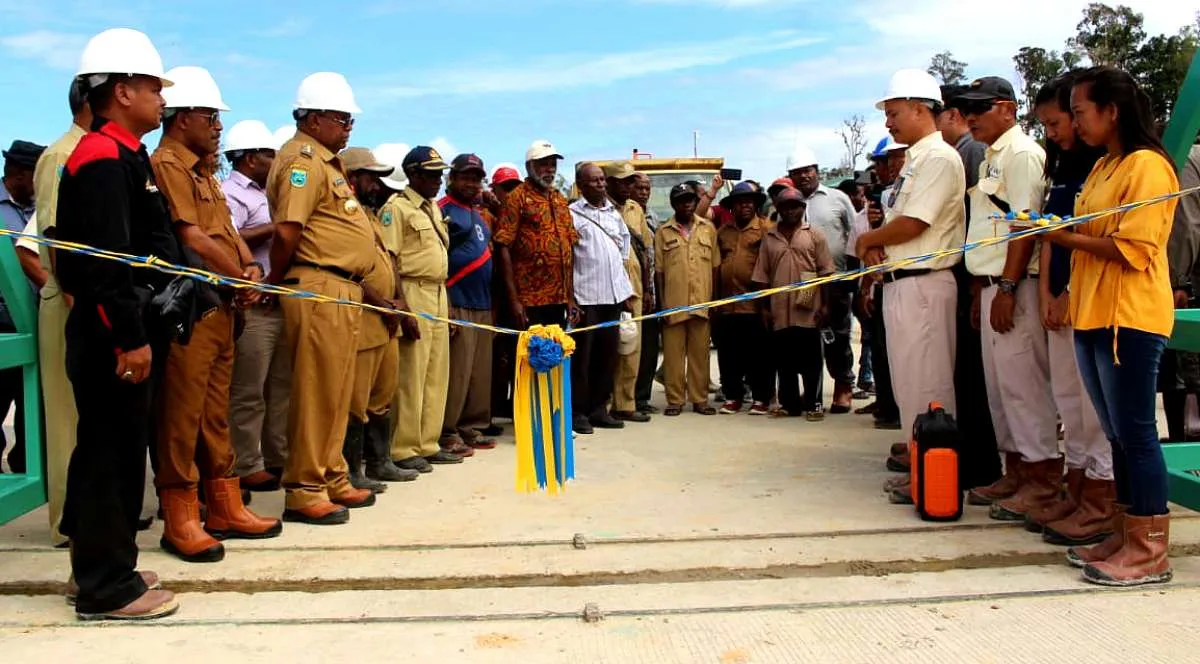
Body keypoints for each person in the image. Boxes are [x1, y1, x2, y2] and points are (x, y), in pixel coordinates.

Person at [55, 27, 179, 620]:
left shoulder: (124, 154)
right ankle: (107, 588)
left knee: (107, 450)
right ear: (123, 90)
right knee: (114, 456)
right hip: (113, 335)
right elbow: (106, 264)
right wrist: (130, 340)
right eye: (155, 87)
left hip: (119, 327)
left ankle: (103, 561)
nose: (162, 98)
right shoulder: (103, 158)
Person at [1043, 66, 1179, 587]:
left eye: (1079, 112)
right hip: (1094, 314)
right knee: (1118, 435)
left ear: (1112, 111)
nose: (1075, 122)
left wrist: (1060, 238)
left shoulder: (1147, 167)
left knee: (1138, 433)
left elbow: (1134, 248)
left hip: (1131, 318)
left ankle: (1150, 550)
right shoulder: (1104, 166)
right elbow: (1087, 228)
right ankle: (1126, 532)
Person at [151, 66, 281, 562]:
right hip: (194, 306)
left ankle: (223, 503)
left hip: (221, 304)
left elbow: (226, 234)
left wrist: (247, 269)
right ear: (181, 118)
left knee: (215, 414)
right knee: (181, 417)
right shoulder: (168, 164)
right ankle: (180, 514)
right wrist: (239, 275)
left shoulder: (205, 173)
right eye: (209, 115)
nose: (217, 126)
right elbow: (193, 237)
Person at [266, 71, 379, 525]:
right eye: (340, 117)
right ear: (313, 118)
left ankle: (330, 473)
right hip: (318, 284)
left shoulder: (327, 162)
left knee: (336, 389)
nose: (348, 126)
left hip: (341, 287)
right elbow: (288, 229)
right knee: (316, 391)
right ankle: (304, 487)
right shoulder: (303, 161)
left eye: (350, 119)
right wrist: (274, 279)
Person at [952, 76, 1060, 523]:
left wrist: (1009, 287)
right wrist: (984, 288)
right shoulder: (991, 158)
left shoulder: (1022, 155)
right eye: (966, 110)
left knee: (1025, 390)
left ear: (1008, 109)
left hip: (1017, 285)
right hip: (992, 283)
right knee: (1000, 391)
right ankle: (1016, 471)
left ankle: (1043, 481)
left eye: (980, 108)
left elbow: (1025, 227)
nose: (970, 118)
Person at [856, 69, 965, 483]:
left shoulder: (938, 158)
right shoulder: (916, 159)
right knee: (909, 385)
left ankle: (937, 476)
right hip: (902, 281)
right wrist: (879, 244)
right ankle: (921, 468)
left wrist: (868, 240)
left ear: (921, 109)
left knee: (928, 384)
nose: (889, 122)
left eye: (894, 112)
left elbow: (915, 223)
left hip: (924, 282)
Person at [1026, 72, 1114, 545]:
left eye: (1060, 120)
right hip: (1056, 300)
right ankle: (1076, 488)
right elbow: (1050, 238)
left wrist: (1068, 295)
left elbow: (1095, 242)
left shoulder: (1103, 167)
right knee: (1068, 402)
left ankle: (1099, 498)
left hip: (1087, 301)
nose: (1055, 132)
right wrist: (1045, 294)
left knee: (1093, 408)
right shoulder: (1062, 168)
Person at [934, 83, 1003, 498]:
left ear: (950, 117)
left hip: (978, 277)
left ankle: (981, 465)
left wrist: (979, 284)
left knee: (977, 382)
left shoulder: (972, 153)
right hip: (971, 277)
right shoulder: (968, 153)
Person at [223, 120, 292, 493]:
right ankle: (247, 463)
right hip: (253, 304)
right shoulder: (230, 193)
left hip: (280, 301)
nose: (275, 160)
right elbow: (229, 238)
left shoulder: (272, 193)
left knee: (280, 388)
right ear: (250, 158)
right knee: (249, 389)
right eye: (269, 154)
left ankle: (276, 457)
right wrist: (277, 228)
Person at [382, 146, 460, 470]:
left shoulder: (431, 208)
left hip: (438, 292)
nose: (438, 180)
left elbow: (440, 260)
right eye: (431, 174)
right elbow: (391, 259)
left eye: (440, 173)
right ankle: (404, 447)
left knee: (436, 372)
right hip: (414, 290)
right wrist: (403, 307)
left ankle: (429, 442)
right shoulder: (397, 208)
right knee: (411, 373)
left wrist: (449, 305)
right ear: (413, 175)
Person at [339, 146, 412, 487]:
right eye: (371, 178)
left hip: (386, 319)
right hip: (366, 316)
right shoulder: (344, 218)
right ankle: (353, 469)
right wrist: (383, 302)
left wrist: (398, 302)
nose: (378, 185)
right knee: (357, 397)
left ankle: (380, 461)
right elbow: (352, 272)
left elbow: (388, 264)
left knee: (384, 391)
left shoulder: (371, 215)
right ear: (352, 179)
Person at [785, 146, 858, 414]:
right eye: (797, 172)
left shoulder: (837, 199)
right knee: (807, 336)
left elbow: (855, 235)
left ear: (817, 171)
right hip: (804, 282)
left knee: (837, 335)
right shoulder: (786, 203)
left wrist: (854, 276)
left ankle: (843, 386)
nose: (804, 176)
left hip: (835, 279)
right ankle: (813, 389)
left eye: (808, 170)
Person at [752, 188, 835, 419]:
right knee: (784, 360)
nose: (790, 210)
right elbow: (762, 276)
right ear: (777, 209)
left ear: (803, 208)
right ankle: (789, 404)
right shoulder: (770, 238)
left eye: (795, 206)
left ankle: (814, 404)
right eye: (785, 206)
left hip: (809, 309)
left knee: (811, 360)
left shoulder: (815, 235)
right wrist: (764, 309)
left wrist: (826, 306)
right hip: (780, 310)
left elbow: (826, 272)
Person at [439, 154, 499, 451]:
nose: (472, 183)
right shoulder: (443, 210)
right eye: (466, 177)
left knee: (478, 371)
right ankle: (448, 430)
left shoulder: (478, 212)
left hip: (483, 301)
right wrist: (446, 301)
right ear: (452, 178)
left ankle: (471, 426)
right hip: (457, 297)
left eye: (476, 178)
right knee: (458, 371)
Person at [568, 162, 634, 434]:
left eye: (602, 180)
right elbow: (568, 257)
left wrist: (626, 291)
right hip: (586, 297)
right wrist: (570, 297)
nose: (601, 185)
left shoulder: (614, 215)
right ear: (581, 186)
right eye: (594, 181)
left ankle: (599, 409)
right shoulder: (571, 214)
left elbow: (624, 254)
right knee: (582, 359)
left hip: (613, 296)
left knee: (607, 357)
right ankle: (579, 412)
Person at [494, 140, 579, 331]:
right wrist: (514, 301)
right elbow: (503, 246)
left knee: (554, 354)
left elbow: (568, 249)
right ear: (529, 166)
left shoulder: (559, 199)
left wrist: (570, 297)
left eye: (553, 165)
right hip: (529, 301)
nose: (549, 170)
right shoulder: (517, 197)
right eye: (543, 164)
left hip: (558, 299)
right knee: (529, 357)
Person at [0, 139, 45, 475]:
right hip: (3, 321)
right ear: (17, 173)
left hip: (37, 316)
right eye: (36, 175)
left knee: (34, 404)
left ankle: (27, 466)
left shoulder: (39, 209)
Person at [656, 183, 720, 416]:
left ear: (695, 202)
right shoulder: (663, 232)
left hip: (702, 302)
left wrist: (714, 301)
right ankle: (675, 400)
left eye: (690, 200)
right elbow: (659, 273)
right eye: (682, 200)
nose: (687, 204)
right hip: (674, 304)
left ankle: (700, 399)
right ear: (674, 204)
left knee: (700, 355)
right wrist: (663, 306)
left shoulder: (708, 229)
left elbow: (715, 267)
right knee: (673, 356)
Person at [713, 182, 773, 415]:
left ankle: (761, 398)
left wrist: (766, 304)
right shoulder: (723, 232)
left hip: (755, 305)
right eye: (739, 202)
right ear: (733, 207)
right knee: (729, 355)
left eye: (749, 201)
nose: (744, 206)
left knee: (758, 355)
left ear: (756, 204)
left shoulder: (766, 229)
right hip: (727, 305)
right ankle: (733, 396)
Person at [605, 161, 653, 424]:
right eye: (623, 182)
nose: (629, 187)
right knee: (607, 347)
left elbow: (645, 251)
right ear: (610, 182)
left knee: (631, 345)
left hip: (634, 286)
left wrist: (647, 289)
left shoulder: (636, 210)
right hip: (606, 287)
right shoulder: (600, 209)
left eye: (630, 182)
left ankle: (625, 403)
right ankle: (603, 403)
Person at [1160, 142, 1200, 444]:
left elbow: (1185, 226)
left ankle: (1184, 447)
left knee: (1186, 363)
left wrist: (1178, 281)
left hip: (1190, 277)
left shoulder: (1179, 154)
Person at [483, 163, 522, 435]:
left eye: (513, 188)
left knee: (516, 353)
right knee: (496, 357)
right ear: (494, 189)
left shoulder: (519, 215)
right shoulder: (485, 216)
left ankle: (511, 404)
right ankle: (490, 408)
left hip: (519, 295)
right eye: (504, 188)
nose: (509, 193)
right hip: (492, 294)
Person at [837, 178, 873, 398]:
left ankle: (866, 378)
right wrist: (854, 287)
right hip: (856, 286)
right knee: (863, 335)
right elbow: (852, 256)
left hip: (872, 287)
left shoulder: (877, 216)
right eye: (860, 194)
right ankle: (864, 378)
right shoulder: (858, 220)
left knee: (869, 336)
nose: (862, 198)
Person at [632, 171, 661, 415]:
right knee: (629, 346)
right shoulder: (622, 215)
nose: (644, 192)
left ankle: (642, 397)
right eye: (639, 187)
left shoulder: (654, 217)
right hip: (630, 293)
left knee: (650, 348)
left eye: (647, 188)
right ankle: (624, 399)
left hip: (652, 291)